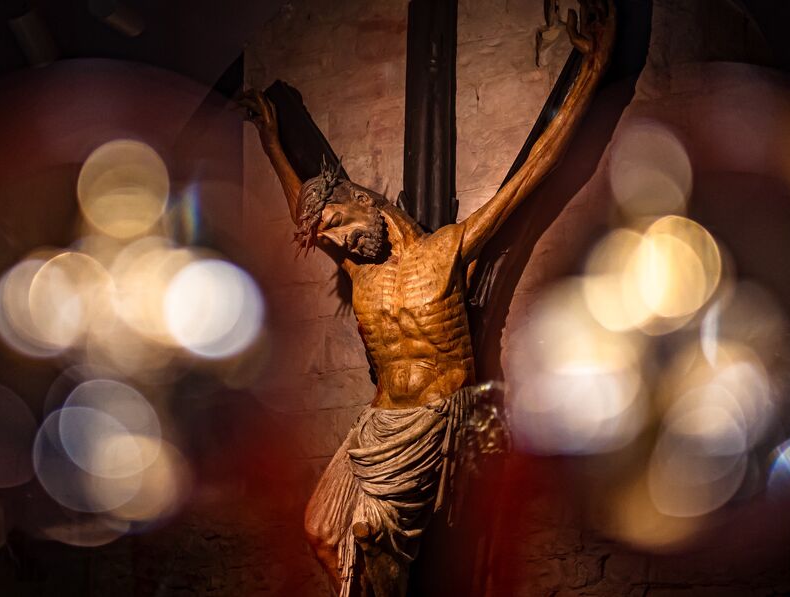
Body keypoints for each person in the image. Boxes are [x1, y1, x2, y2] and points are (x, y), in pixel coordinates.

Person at [239, 2, 614, 594]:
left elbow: (533, 171)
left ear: (363, 200)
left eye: (337, 224)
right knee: (319, 531)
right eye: (329, 239)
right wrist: (270, 142)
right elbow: (302, 211)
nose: (338, 242)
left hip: (434, 422)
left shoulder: (449, 250)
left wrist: (592, 70)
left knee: (369, 536)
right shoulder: (360, 272)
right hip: (377, 425)